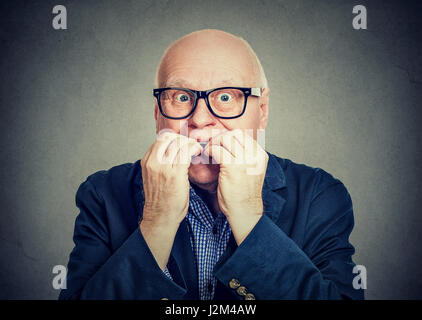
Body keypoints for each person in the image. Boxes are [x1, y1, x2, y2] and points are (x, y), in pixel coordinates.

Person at [59, 29, 364, 300]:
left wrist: (248, 215)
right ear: (157, 114)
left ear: (263, 110)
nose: (200, 119)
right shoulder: (102, 194)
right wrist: (157, 221)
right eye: (180, 97)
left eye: (227, 97)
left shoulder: (320, 195)